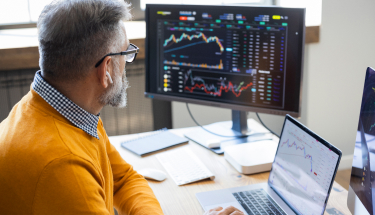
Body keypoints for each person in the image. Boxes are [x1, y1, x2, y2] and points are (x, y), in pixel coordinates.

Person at [0, 0, 244, 214]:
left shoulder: (66, 110)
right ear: (106, 69)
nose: (127, 62)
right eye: (126, 53)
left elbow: (123, 179)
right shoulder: (63, 167)